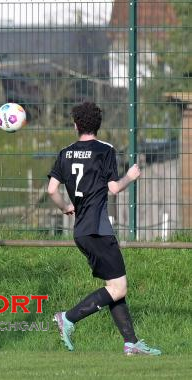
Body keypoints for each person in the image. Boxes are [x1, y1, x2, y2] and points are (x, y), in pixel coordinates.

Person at [47, 101, 161, 356]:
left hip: (81, 231)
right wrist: (130, 177)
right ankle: (67, 318)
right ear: (98, 125)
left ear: (76, 125)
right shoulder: (105, 150)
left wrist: (65, 207)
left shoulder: (65, 153)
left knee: (115, 286)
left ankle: (131, 343)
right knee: (118, 288)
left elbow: (51, 190)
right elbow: (113, 189)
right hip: (99, 229)